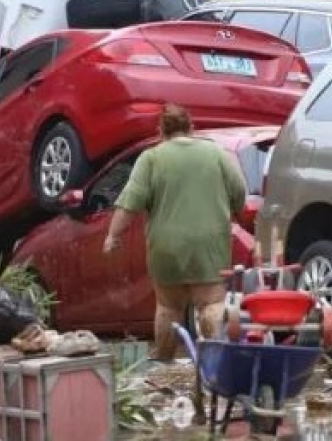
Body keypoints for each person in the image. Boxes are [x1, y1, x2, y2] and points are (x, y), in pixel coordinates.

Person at [104, 104, 246, 361]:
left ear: (161, 131)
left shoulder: (151, 158)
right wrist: (233, 210)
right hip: (209, 243)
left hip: (166, 246)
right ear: (191, 127)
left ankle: (165, 362)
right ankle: (217, 360)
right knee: (211, 304)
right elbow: (239, 192)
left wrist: (113, 236)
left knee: (168, 307)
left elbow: (129, 202)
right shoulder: (215, 153)